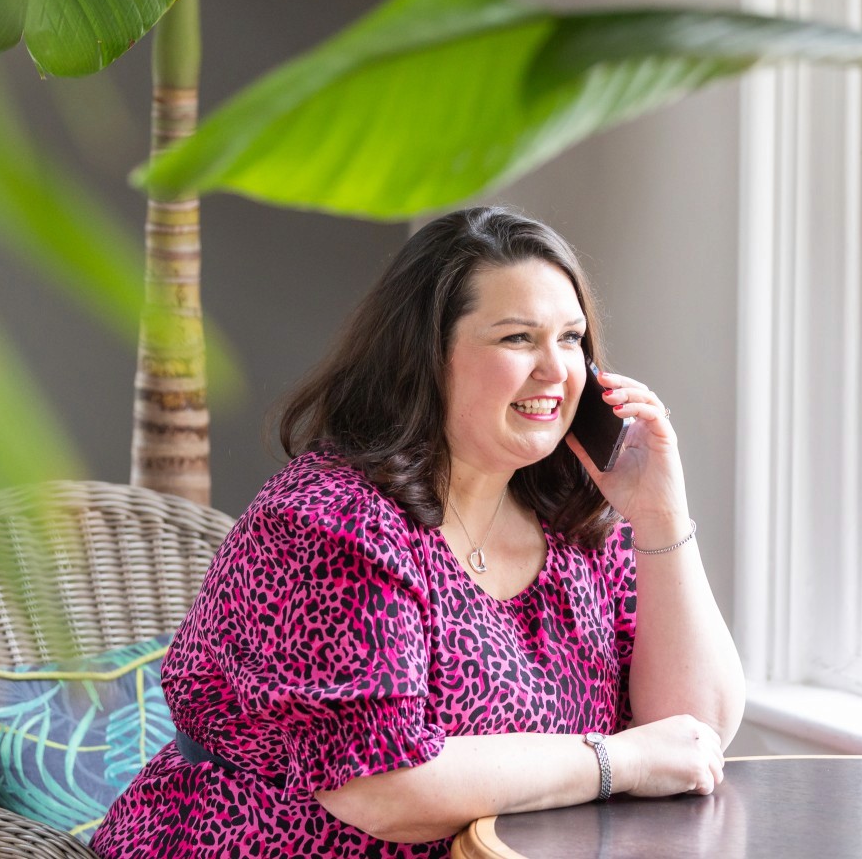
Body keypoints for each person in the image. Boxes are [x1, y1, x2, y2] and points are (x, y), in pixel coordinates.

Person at [91, 206, 744, 858]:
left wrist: (660, 514)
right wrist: (618, 762)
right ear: (428, 356)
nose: (555, 370)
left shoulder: (573, 517)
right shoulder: (329, 519)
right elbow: (381, 788)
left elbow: (694, 735)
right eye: (518, 338)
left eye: (571, 339)